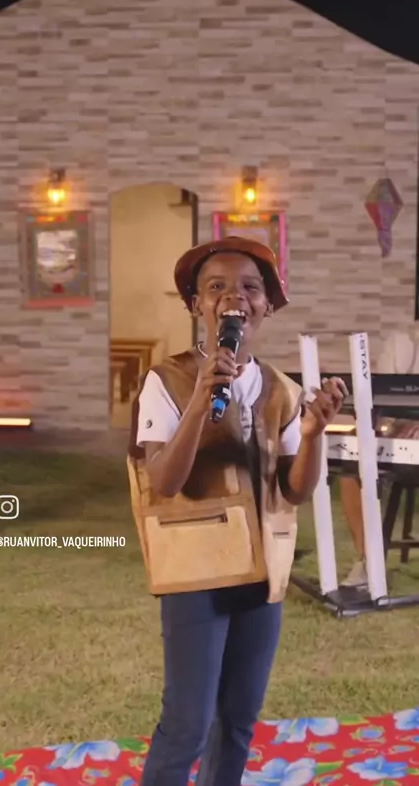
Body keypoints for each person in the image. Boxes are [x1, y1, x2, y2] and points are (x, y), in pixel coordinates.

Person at [127, 235, 347, 786]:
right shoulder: (167, 380)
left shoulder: (281, 390)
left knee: (239, 719)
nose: (235, 296)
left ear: (267, 305)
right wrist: (200, 401)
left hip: (262, 572)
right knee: (188, 722)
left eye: (251, 287)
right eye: (216, 286)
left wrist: (313, 434)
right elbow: (165, 480)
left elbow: (295, 491)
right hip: (195, 570)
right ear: (196, 304)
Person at [339, 328, 419, 588]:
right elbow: (382, 397)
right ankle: (368, 561)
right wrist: (381, 424)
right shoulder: (402, 341)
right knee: (354, 449)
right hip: (401, 440)